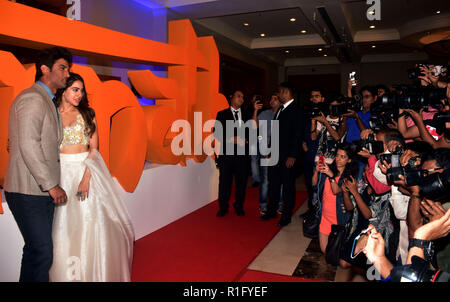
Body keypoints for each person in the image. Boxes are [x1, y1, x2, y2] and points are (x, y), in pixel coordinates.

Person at [49, 73, 134, 281]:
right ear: (63, 90)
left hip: (84, 172)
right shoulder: (51, 114)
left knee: (89, 224)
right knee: (63, 229)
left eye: (81, 90)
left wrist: (86, 177)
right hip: (60, 175)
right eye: (75, 89)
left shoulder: (87, 114)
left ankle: (94, 272)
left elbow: (94, 149)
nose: (80, 94)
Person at [4, 47, 71, 282]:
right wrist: (52, 185)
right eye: (62, 68)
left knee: (35, 251)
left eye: (68, 68)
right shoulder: (33, 98)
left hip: (37, 191)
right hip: (27, 190)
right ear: (45, 69)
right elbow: (29, 145)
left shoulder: (47, 100)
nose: (67, 73)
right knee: (42, 252)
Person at [261, 82, 305, 227]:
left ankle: (286, 216)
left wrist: (292, 155)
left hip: (287, 157)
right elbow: (274, 133)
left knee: (287, 187)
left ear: (286, 92)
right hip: (275, 155)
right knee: (273, 184)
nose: (278, 95)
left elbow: (298, 135)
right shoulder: (280, 109)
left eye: (279, 92)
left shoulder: (296, 111)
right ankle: (271, 210)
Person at [312, 143, 358, 253]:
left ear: (349, 160)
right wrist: (317, 172)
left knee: (335, 253)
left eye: (343, 157)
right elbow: (314, 184)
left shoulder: (349, 177)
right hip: (325, 216)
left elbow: (336, 191)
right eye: (337, 155)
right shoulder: (328, 169)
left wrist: (331, 176)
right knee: (325, 251)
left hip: (339, 218)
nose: (338, 159)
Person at [214, 90, 253, 217]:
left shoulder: (247, 114)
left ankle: (239, 205)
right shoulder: (222, 114)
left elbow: (253, 132)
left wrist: (246, 139)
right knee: (225, 182)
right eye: (238, 96)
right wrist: (231, 139)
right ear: (231, 98)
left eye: (242, 97)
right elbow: (217, 132)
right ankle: (223, 207)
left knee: (241, 182)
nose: (241, 99)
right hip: (226, 155)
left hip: (242, 155)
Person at [254, 93, 281, 214]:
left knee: (280, 180)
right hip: (266, 150)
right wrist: (255, 111)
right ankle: (263, 204)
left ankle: (279, 204)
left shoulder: (284, 114)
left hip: (281, 151)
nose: (272, 101)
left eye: (275, 99)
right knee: (265, 179)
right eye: (271, 98)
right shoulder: (265, 114)